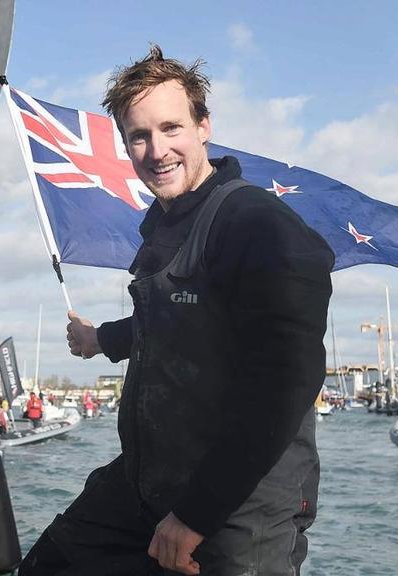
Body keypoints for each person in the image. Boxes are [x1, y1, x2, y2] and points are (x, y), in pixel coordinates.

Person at [20, 45, 333, 576]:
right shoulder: (165, 225)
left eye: (171, 128)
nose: (156, 149)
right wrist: (103, 340)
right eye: (139, 136)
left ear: (203, 126)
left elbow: (287, 382)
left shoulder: (258, 224)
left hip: (240, 504)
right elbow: (175, 320)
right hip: (147, 480)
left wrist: (195, 514)